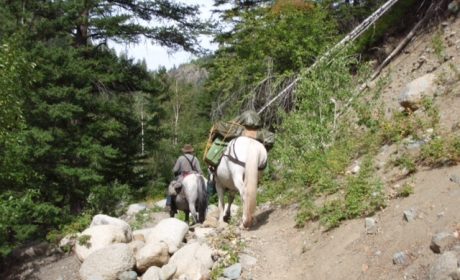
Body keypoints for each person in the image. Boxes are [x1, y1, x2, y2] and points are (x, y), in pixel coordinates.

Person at [167, 144, 203, 216]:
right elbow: (200, 171)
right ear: (191, 151)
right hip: (194, 176)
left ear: (184, 151)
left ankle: (169, 205)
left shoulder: (181, 158)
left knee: (171, 186)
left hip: (183, 177)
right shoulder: (195, 158)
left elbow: (175, 170)